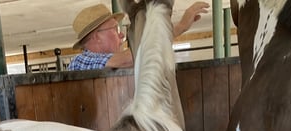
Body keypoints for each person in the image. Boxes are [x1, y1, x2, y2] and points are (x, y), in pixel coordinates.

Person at [68, 2, 210, 71]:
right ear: (96, 37)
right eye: (115, 28)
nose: (121, 34)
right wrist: (179, 28)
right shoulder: (80, 62)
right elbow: (135, 57)